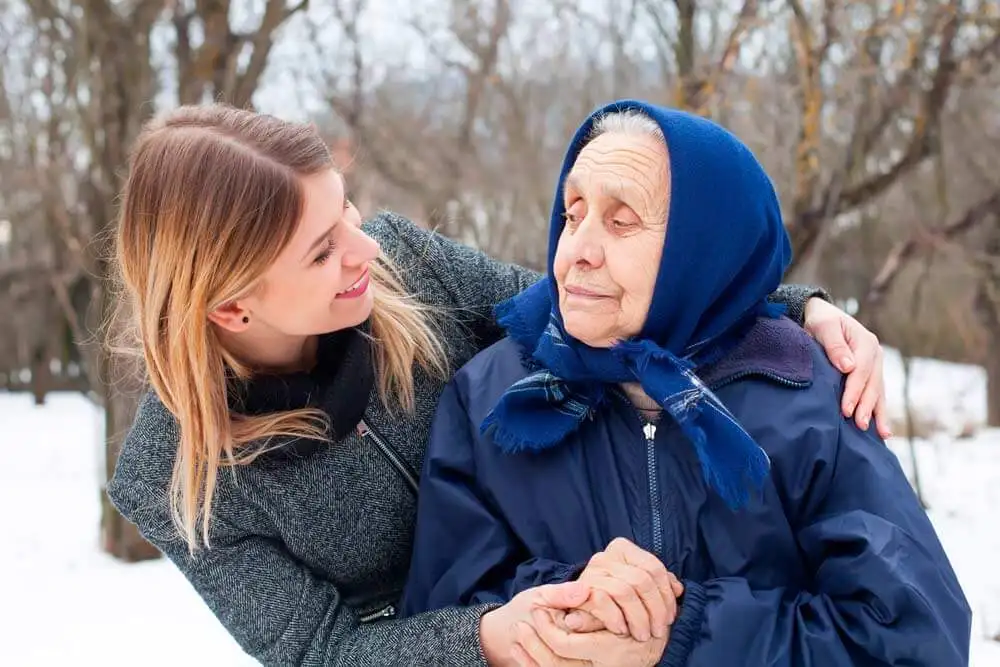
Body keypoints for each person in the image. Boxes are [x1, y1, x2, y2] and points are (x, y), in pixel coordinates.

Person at [106, 103, 891, 666]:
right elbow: (320, 650)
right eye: (320, 252)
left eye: (347, 212)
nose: (361, 250)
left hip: (578, 575)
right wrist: (482, 638)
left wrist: (793, 307)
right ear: (233, 305)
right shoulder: (174, 478)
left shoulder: (402, 262)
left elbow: (586, 306)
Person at [401, 100, 971, 666]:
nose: (578, 251)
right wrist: (583, 604)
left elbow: (914, 641)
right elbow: (441, 625)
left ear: (700, 250)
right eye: (573, 214)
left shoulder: (808, 397)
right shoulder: (493, 396)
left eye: (621, 221)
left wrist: (684, 632)